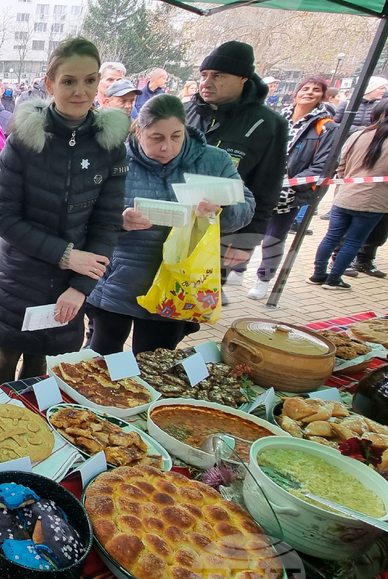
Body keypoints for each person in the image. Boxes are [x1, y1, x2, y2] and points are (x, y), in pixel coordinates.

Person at [0, 38, 129, 384]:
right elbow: (3, 217)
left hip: (70, 280)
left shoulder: (110, 145)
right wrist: (65, 255)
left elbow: (107, 222)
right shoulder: (24, 139)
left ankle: (33, 417)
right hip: (20, 274)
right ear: (50, 84)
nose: (80, 91)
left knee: (41, 357)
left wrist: (80, 286)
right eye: (69, 81)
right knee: (6, 355)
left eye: (89, 80)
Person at [86, 95, 255, 353]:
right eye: (156, 138)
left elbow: (246, 207)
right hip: (117, 279)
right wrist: (117, 220)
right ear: (138, 131)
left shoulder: (214, 161)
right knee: (103, 356)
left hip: (178, 283)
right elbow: (82, 210)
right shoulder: (113, 158)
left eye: (176, 136)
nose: (167, 147)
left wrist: (222, 211)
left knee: (155, 359)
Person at [185, 41, 289, 297]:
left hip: (221, 234)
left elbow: (266, 187)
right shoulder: (184, 111)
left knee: (194, 303)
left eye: (218, 76)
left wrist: (247, 241)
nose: (207, 83)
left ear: (243, 78)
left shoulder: (268, 124)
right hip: (170, 225)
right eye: (204, 75)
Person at [248, 77, 337, 300]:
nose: (309, 92)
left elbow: (323, 165)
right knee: (244, 231)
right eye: (305, 88)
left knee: (273, 239)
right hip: (260, 187)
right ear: (296, 93)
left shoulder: (326, 127)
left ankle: (263, 279)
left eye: (316, 90)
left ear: (322, 96)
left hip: (289, 194)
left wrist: (292, 183)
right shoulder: (279, 118)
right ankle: (235, 270)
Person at [310, 100, 388, 290]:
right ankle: (334, 279)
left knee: (331, 237)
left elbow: (341, 165)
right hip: (373, 201)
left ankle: (318, 274)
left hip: (345, 195)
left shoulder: (358, 134)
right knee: (354, 241)